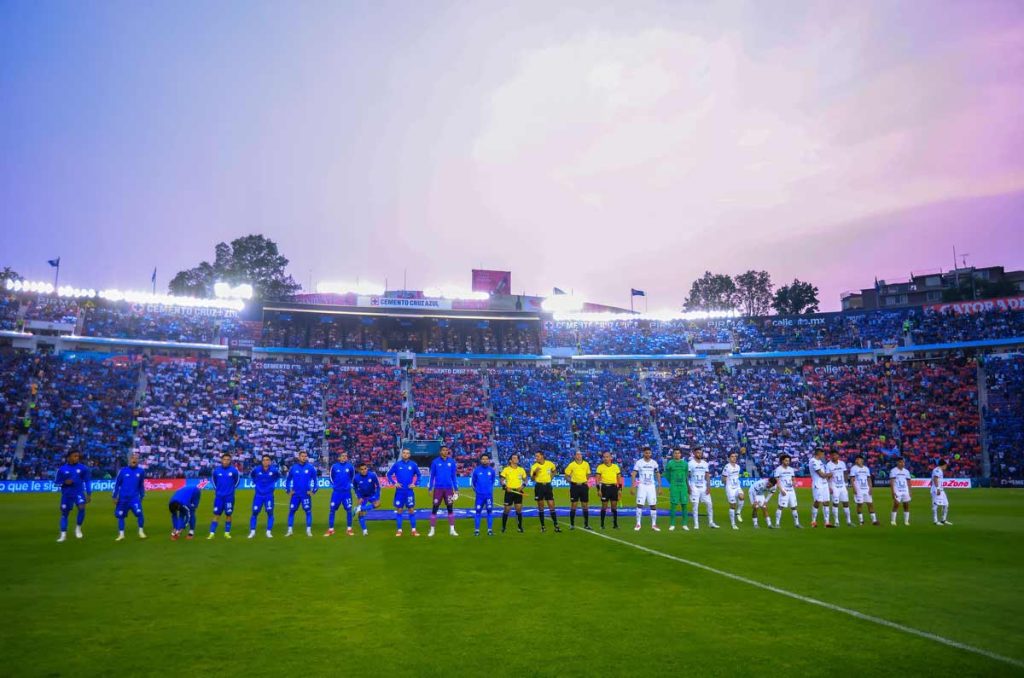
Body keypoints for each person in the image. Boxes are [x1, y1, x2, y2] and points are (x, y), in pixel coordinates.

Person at [55, 450, 91, 542]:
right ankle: (63, 535)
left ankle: (78, 528)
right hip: (67, 494)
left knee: (82, 508)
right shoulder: (62, 469)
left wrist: (89, 493)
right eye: (75, 456)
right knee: (64, 514)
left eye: (78, 456)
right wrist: (64, 483)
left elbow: (87, 481)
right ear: (69, 457)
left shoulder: (83, 468)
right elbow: (56, 484)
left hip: (78, 492)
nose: (77, 458)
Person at [387, 448, 421, 537]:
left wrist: (415, 483)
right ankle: (399, 530)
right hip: (400, 491)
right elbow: (388, 474)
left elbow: (419, 475)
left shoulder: (413, 465)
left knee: (411, 510)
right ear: (402, 454)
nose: (405, 454)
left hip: (409, 491)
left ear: (409, 455)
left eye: (407, 453)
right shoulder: (397, 464)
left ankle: (413, 530)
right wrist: (394, 483)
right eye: (404, 453)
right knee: (399, 510)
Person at [112, 453, 146, 541]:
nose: (134, 460)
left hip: (134, 498)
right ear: (129, 460)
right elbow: (117, 484)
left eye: (136, 458)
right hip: (123, 498)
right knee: (120, 516)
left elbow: (141, 485)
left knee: (139, 513)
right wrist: (115, 496)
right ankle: (121, 534)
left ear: (138, 461)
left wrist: (142, 495)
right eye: (132, 458)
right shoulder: (123, 471)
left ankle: (141, 531)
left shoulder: (141, 471)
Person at [286, 450, 319, 537]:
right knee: (292, 511)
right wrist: (288, 490)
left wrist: (314, 490)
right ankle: (290, 530)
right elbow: (288, 480)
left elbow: (315, 480)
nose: (304, 458)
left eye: (305, 456)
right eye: (302, 456)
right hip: (295, 495)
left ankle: (308, 530)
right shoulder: (294, 468)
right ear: (298, 457)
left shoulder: (310, 468)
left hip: (306, 495)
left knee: (308, 512)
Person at [428, 446, 458, 537]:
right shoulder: (435, 462)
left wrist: (456, 489)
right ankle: (432, 530)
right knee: (434, 509)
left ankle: (452, 530)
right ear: (440, 452)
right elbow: (432, 476)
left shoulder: (452, 462)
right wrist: (430, 488)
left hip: (449, 489)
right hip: (438, 489)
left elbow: (453, 477)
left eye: (446, 450)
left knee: (450, 508)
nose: (445, 452)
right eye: (443, 450)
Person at [208, 453, 240, 539]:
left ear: (230, 461)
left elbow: (237, 482)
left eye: (228, 459)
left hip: (229, 497)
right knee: (216, 514)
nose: (226, 461)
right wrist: (217, 490)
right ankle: (211, 533)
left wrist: (231, 490)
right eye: (224, 459)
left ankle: (227, 533)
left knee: (228, 514)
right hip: (219, 497)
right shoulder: (216, 471)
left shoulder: (234, 471)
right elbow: (213, 481)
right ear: (221, 460)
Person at [248, 454, 280, 538]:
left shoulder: (274, 470)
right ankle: (252, 531)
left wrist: (271, 485)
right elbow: (252, 476)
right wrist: (257, 483)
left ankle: (268, 532)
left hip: (269, 495)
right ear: (262, 461)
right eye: (264, 460)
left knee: (270, 513)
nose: (266, 461)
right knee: (255, 513)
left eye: (267, 460)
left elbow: (277, 477)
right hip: (258, 495)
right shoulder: (257, 470)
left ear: (270, 461)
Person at [326, 450, 355, 537]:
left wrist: (349, 485)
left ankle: (349, 529)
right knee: (332, 510)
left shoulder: (350, 466)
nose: (344, 457)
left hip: (346, 493)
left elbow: (352, 477)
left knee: (349, 510)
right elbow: (330, 477)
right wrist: (334, 486)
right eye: (342, 456)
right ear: (339, 458)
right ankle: (331, 529)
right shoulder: (334, 466)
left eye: (345, 456)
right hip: (336, 493)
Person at [631, 446, 661, 531]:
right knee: (640, 505)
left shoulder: (654, 463)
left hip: (651, 486)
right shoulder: (639, 462)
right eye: (646, 453)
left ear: (651, 453)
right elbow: (633, 474)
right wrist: (633, 486)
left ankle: (654, 524)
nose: (648, 454)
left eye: (649, 453)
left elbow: (658, 474)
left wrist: (660, 487)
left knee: (653, 505)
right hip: (642, 486)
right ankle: (638, 524)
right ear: (643, 453)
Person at [530, 451, 560, 533]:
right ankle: (543, 526)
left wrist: (551, 477)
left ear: (542, 456)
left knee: (551, 505)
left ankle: (556, 525)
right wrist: (535, 472)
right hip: (539, 486)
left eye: (538, 456)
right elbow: (532, 479)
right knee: (541, 506)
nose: (536, 458)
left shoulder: (549, 464)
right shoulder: (534, 466)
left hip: (548, 486)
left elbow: (554, 470)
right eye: (536, 456)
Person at [688, 447, 717, 529]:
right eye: (697, 452)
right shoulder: (690, 463)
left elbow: (707, 475)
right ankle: (696, 524)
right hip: (694, 486)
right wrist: (689, 486)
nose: (699, 454)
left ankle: (711, 522)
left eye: (700, 453)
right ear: (694, 453)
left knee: (709, 504)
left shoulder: (705, 463)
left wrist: (708, 486)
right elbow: (687, 476)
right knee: (695, 505)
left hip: (703, 486)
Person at [563, 451, 592, 530]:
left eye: (580, 454)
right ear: (575, 456)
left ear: (582, 455)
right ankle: (572, 525)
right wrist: (572, 481)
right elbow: (566, 476)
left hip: (583, 486)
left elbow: (588, 474)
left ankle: (586, 524)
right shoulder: (571, 465)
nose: (579, 456)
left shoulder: (586, 464)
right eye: (577, 454)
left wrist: (585, 480)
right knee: (574, 505)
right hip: (575, 487)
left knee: (585, 506)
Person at [500, 453, 527, 533]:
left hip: (518, 491)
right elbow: (501, 479)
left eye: (517, 458)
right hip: (509, 492)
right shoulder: (506, 469)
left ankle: (520, 527)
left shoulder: (521, 469)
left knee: (519, 509)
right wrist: (505, 487)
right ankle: (504, 527)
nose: (516, 459)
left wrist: (522, 486)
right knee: (506, 510)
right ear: (510, 460)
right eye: (514, 458)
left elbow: (525, 479)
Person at [663, 447, 689, 531]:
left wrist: (686, 484)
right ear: (673, 454)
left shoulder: (685, 464)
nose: (677, 454)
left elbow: (686, 475)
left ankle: (684, 524)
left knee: (684, 505)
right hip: (674, 487)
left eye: (678, 453)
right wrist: (672, 482)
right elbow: (666, 475)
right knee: (673, 505)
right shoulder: (670, 463)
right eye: (675, 453)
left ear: (681, 454)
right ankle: (672, 524)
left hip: (683, 487)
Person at [773, 454, 802, 528]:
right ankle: (777, 523)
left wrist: (794, 482)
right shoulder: (778, 469)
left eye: (788, 461)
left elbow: (793, 478)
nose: (787, 462)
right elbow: (777, 481)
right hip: (784, 491)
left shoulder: (791, 469)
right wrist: (781, 490)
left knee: (794, 507)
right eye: (786, 460)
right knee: (780, 507)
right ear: (782, 461)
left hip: (791, 491)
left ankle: (797, 524)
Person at [849, 455, 879, 526]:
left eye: (858, 459)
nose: (857, 461)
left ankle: (874, 521)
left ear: (862, 460)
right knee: (860, 505)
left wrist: (870, 488)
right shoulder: (853, 468)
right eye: (856, 459)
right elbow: (852, 479)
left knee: (870, 504)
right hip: (858, 490)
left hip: (866, 489)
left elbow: (869, 479)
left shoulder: (866, 469)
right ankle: (861, 521)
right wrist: (854, 488)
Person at [471, 454, 497, 536]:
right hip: (479, 496)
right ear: (481, 460)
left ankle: (489, 530)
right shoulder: (476, 470)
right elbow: (473, 482)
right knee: (478, 512)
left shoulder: (491, 471)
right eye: (483, 459)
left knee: (489, 512)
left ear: (489, 460)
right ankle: (477, 531)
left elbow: (492, 481)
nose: (485, 460)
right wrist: (478, 490)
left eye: (486, 459)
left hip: (489, 495)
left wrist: (488, 490)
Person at [353, 462, 381, 536]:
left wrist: (377, 497)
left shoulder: (372, 475)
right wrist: (359, 497)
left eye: (365, 468)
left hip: (372, 495)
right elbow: (355, 488)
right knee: (360, 514)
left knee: (378, 504)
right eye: (362, 469)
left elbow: (378, 486)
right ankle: (364, 530)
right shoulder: (356, 478)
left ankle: (360, 508)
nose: (364, 470)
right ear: (359, 470)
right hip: (362, 496)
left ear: (367, 468)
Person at [596, 452, 622, 529]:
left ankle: (615, 524)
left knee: (614, 507)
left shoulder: (615, 467)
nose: (605, 458)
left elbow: (619, 479)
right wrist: (598, 490)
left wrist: (620, 490)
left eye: (607, 457)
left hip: (613, 488)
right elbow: (597, 479)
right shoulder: (600, 467)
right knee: (604, 506)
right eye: (604, 457)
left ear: (611, 458)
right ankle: (602, 524)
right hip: (604, 488)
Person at [826, 451, 852, 527]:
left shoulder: (842, 463)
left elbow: (845, 473)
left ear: (838, 456)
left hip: (843, 486)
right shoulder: (828, 465)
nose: (834, 456)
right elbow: (827, 476)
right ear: (830, 456)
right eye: (832, 455)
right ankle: (836, 521)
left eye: (835, 455)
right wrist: (829, 487)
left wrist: (846, 483)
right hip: (834, 486)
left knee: (846, 503)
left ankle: (849, 521)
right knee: (835, 503)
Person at [809, 449, 833, 528]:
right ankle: (813, 521)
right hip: (817, 484)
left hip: (824, 484)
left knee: (826, 502)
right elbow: (821, 474)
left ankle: (827, 522)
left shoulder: (820, 461)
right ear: (818, 453)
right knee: (817, 501)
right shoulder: (813, 461)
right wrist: (830, 474)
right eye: (822, 454)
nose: (823, 456)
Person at [722, 451, 745, 530]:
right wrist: (727, 486)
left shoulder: (738, 467)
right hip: (730, 488)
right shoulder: (727, 467)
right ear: (729, 458)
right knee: (733, 505)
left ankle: (738, 512)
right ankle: (733, 524)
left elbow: (736, 476)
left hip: (737, 486)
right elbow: (723, 479)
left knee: (742, 497)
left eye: (735, 456)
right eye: (732, 456)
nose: (734, 457)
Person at [890, 457, 912, 526]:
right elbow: (892, 482)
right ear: (897, 463)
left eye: (903, 462)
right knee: (896, 504)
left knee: (906, 505)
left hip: (905, 490)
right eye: (900, 462)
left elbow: (908, 482)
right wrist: (893, 491)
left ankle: (906, 521)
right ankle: (893, 521)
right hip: (897, 490)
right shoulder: (893, 471)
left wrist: (910, 491)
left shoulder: (906, 471)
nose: (902, 463)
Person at [931, 459, 952, 526]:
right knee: (935, 505)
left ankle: (943, 520)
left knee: (946, 504)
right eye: (946, 465)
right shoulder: (937, 470)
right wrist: (937, 488)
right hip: (936, 489)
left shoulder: (940, 471)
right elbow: (935, 479)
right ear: (943, 465)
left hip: (941, 490)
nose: (946, 466)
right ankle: (935, 521)